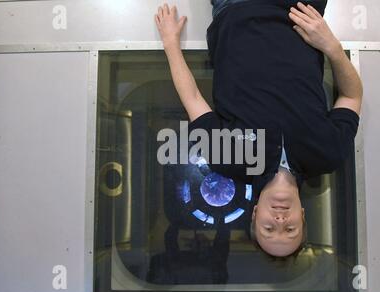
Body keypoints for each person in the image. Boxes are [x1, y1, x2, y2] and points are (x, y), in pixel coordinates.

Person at [154, 0, 363, 257]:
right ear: (302, 216)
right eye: (290, 230)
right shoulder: (329, 154)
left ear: (254, 214)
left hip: (235, 7)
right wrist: (332, 47)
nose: (280, 221)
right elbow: (351, 97)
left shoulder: (226, 159)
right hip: (299, 7)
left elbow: (193, 98)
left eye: (268, 228)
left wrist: (170, 43)